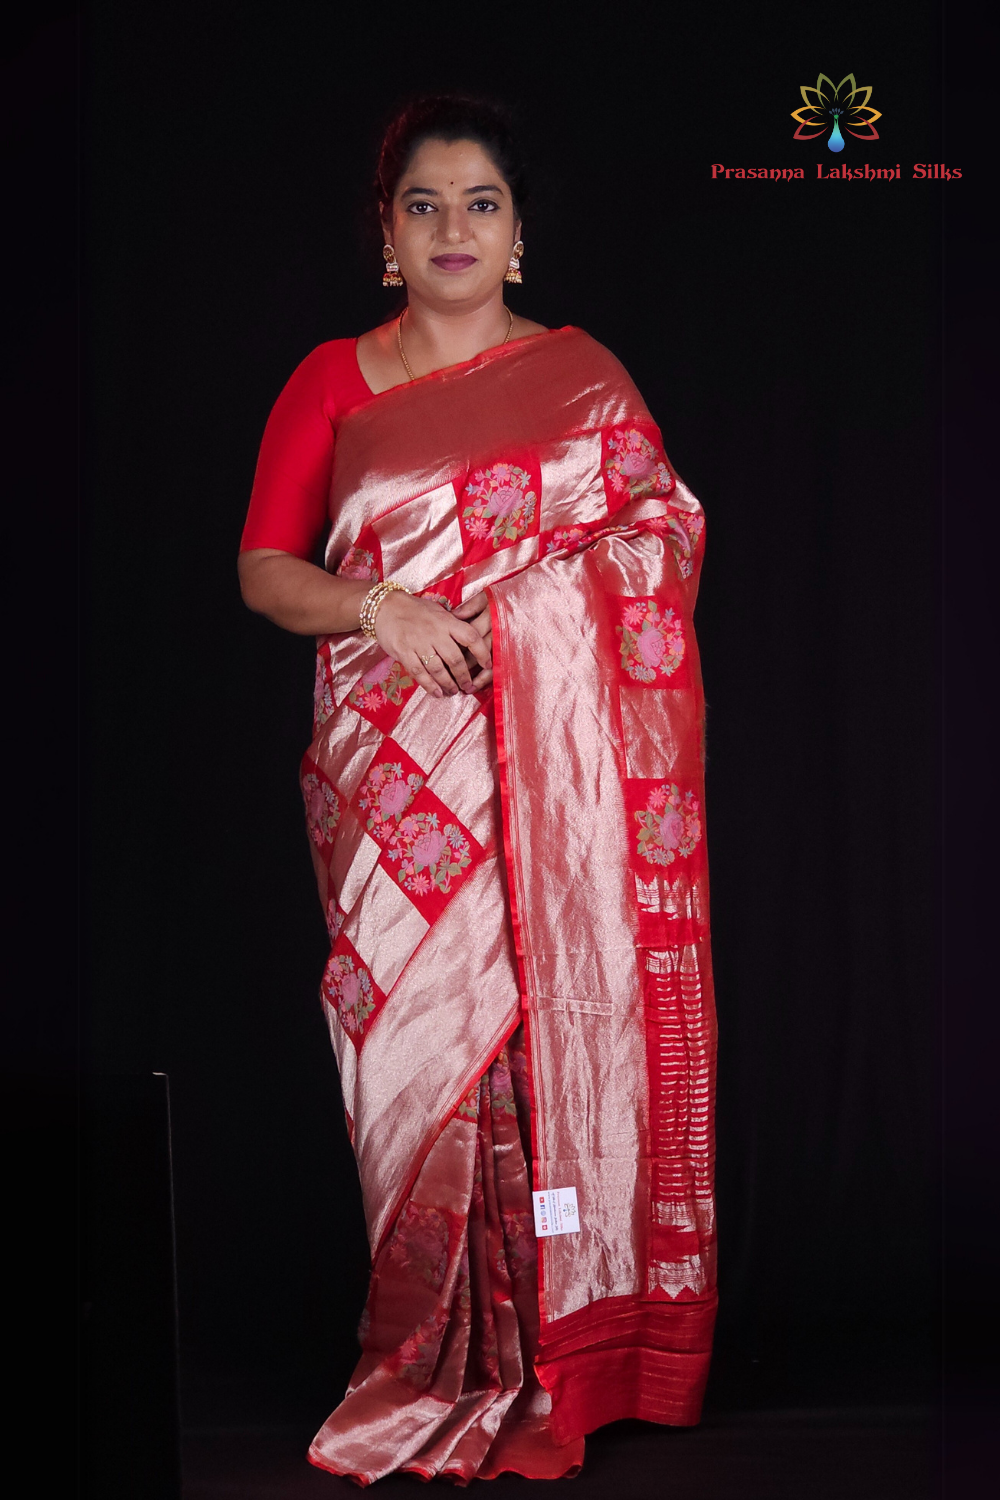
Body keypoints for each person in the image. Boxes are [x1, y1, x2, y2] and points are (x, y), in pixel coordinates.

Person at [239, 94, 717, 1486]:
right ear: (386, 235)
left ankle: (558, 1358)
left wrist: (522, 624)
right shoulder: (330, 380)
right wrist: (379, 607)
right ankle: (428, 1359)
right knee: (415, 1056)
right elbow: (266, 572)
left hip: (553, 791)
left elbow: (661, 538)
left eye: (481, 203)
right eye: (425, 205)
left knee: (543, 1042)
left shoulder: (585, 379)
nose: (454, 227)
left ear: (518, 233)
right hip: (391, 790)